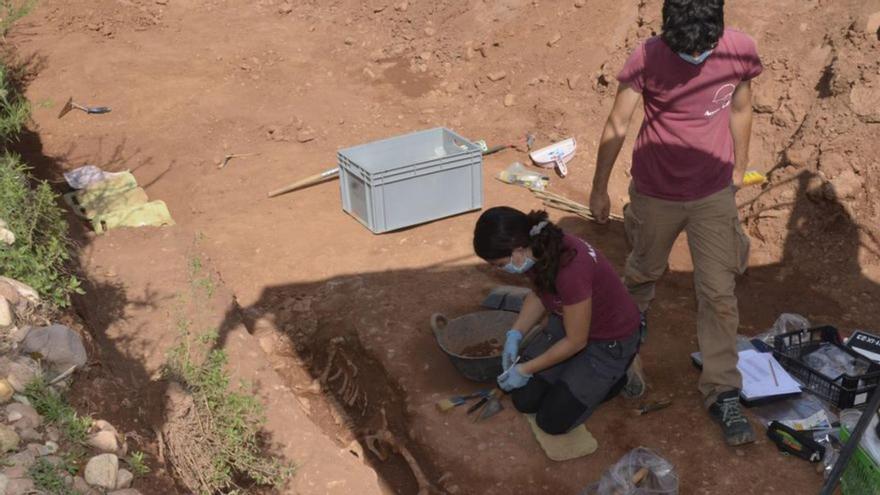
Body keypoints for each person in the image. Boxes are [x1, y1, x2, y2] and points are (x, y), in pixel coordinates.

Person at [588, 0, 763, 446]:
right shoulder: (646, 56)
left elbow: (741, 109)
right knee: (642, 275)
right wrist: (599, 187)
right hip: (655, 193)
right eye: (686, 52)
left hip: (712, 194)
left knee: (719, 291)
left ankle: (722, 390)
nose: (696, 58)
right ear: (667, 32)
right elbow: (617, 123)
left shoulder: (738, 50)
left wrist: (739, 168)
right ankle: (624, 356)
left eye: (704, 50)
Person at [472, 207, 644, 435]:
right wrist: (515, 333)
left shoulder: (570, 270)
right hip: (571, 323)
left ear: (518, 250)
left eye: (499, 264)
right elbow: (539, 293)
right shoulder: (539, 248)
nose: (498, 269)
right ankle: (577, 372)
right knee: (524, 399)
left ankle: (620, 374)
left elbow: (576, 342)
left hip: (609, 342)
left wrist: (525, 369)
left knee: (551, 420)